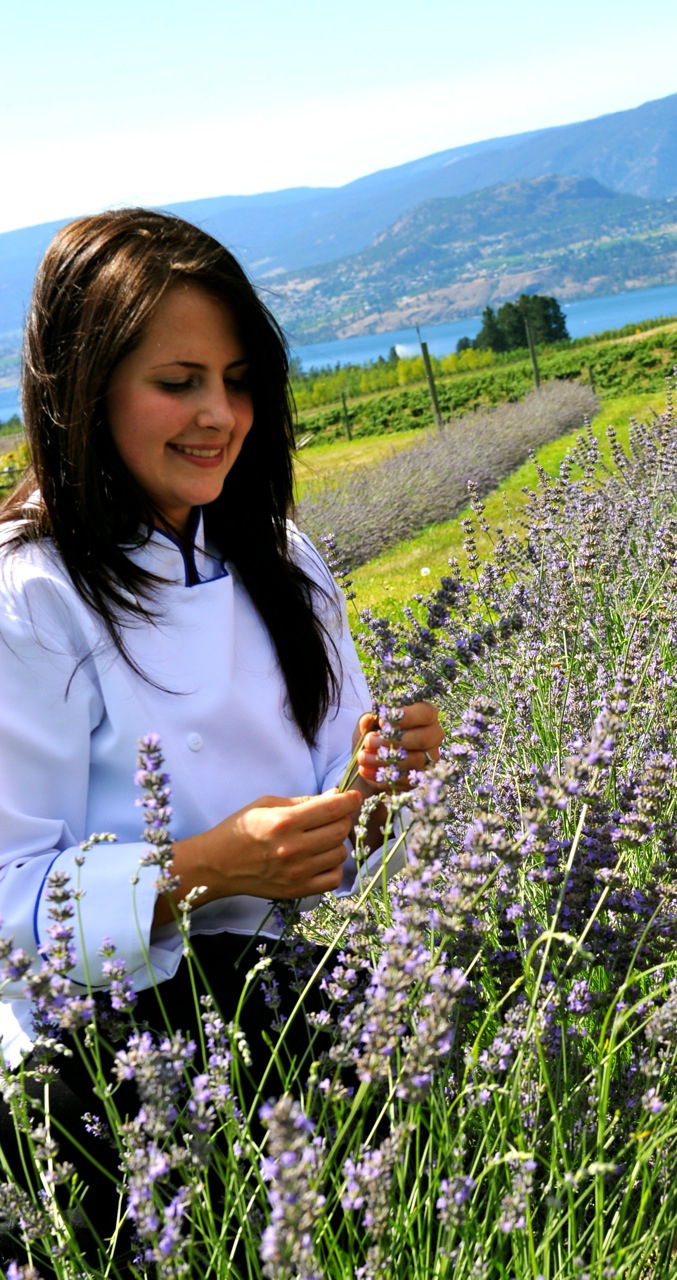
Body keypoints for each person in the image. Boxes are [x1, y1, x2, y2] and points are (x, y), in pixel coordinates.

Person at [0, 209, 442, 1262]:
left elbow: (330, 819)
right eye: (178, 380)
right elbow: (9, 892)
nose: (220, 415)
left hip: (269, 1011)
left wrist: (373, 791)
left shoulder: (273, 551)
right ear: (82, 385)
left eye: (238, 379)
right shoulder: (33, 597)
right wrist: (203, 868)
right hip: (96, 1077)